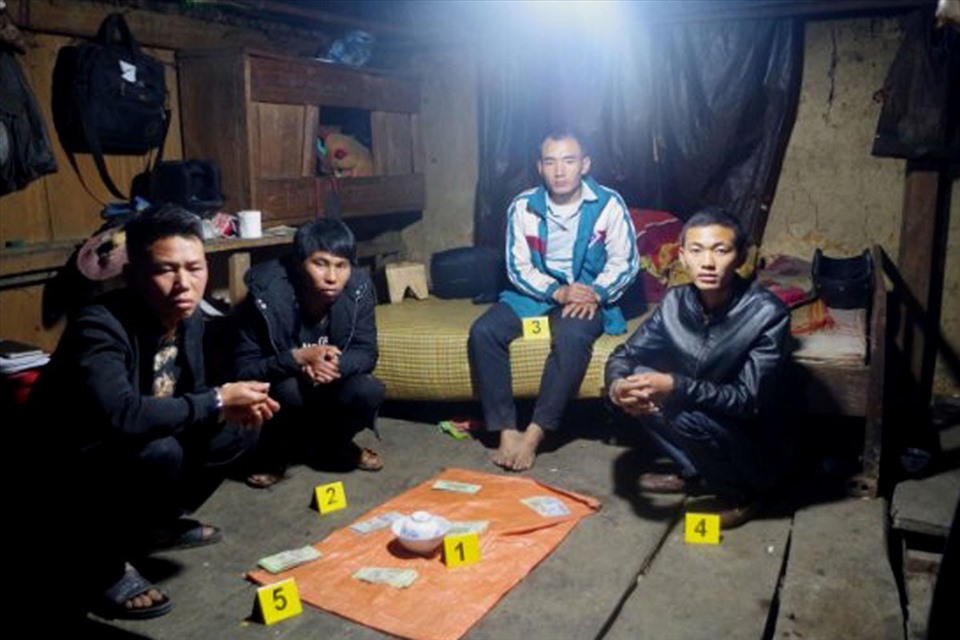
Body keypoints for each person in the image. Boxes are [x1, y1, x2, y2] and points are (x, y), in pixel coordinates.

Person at [30, 204, 278, 620]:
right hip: (67, 466)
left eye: (194, 268)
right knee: (161, 451)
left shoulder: (188, 318)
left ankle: (157, 527)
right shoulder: (99, 325)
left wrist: (229, 407)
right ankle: (103, 564)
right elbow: (122, 416)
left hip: (134, 443)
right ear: (133, 276)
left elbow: (191, 396)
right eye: (166, 270)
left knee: (238, 429)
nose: (184, 283)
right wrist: (218, 400)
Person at [605, 207, 790, 528]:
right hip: (699, 411)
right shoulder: (675, 302)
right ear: (682, 257)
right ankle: (695, 472)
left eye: (721, 250)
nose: (707, 262)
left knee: (681, 411)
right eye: (696, 250)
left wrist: (675, 385)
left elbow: (747, 401)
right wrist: (617, 387)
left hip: (750, 438)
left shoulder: (767, 313)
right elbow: (625, 354)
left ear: (741, 257)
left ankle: (743, 494)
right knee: (637, 382)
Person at [468, 128, 639, 471]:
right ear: (540, 167)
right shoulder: (523, 206)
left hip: (586, 295)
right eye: (550, 162)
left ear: (585, 165)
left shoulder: (608, 204)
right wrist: (556, 292)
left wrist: (596, 293)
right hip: (536, 294)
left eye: (569, 160)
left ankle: (534, 434)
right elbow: (518, 266)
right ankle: (506, 431)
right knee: (483, 332)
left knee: (572, 335)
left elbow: (625, 262)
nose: (560, 171)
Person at [234, 218, 385, 488]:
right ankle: (276, 453)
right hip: (284, 391)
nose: (332, 277)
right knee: (289, 389)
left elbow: (366, 352)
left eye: (341, 265)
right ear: (299, 263)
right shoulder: (266, 294)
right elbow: (244, 370)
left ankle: (337, 444)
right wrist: (296, 359)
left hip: (332, 383)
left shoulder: (358, 289)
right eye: (320, 263)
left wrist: (332, 365)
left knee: (369, 389)